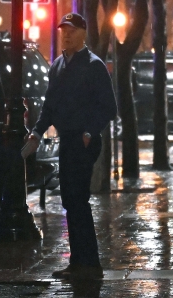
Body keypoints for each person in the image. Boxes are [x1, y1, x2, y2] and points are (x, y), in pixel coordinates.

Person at [21, 12, 117, 280]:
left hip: (83, 141)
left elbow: (109, 107)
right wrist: (37, 133)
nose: (66, 34)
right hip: (68, 139)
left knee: (78, 201)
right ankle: (80, 262)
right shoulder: (58, 65)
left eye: (72, 30)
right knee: (71, 201)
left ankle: (88, 264)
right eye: (64, 29)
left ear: (83, 33)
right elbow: (50, 106)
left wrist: (89, 131)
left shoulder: (93, 65)